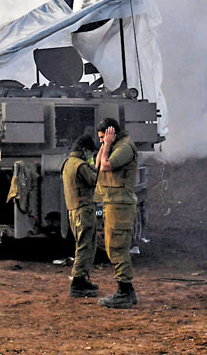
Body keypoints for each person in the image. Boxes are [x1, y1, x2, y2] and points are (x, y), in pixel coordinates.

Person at [94, 117, 139, 308]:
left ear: (113, 133)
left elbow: (105, 166)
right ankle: (124, 290)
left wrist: (108, 145)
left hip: (120, 204)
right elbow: (97, 163)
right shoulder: (112, 146)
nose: (102, 140)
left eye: (104, 136)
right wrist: (105, 145)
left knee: (118, 247)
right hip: (112, 203)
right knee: (112, 246)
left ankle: (125, 291)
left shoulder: (125, 148)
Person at [62, 133, 99, 297]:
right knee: (85, 246)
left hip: (74, 210)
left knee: (83, 245)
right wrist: (93, 164)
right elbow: (94, 180)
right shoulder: (81, 166)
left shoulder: (69, 163)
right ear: (84, 150)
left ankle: (83, 279)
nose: (91, 155)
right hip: (84, 210)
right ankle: (77, 283)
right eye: (90, 152)